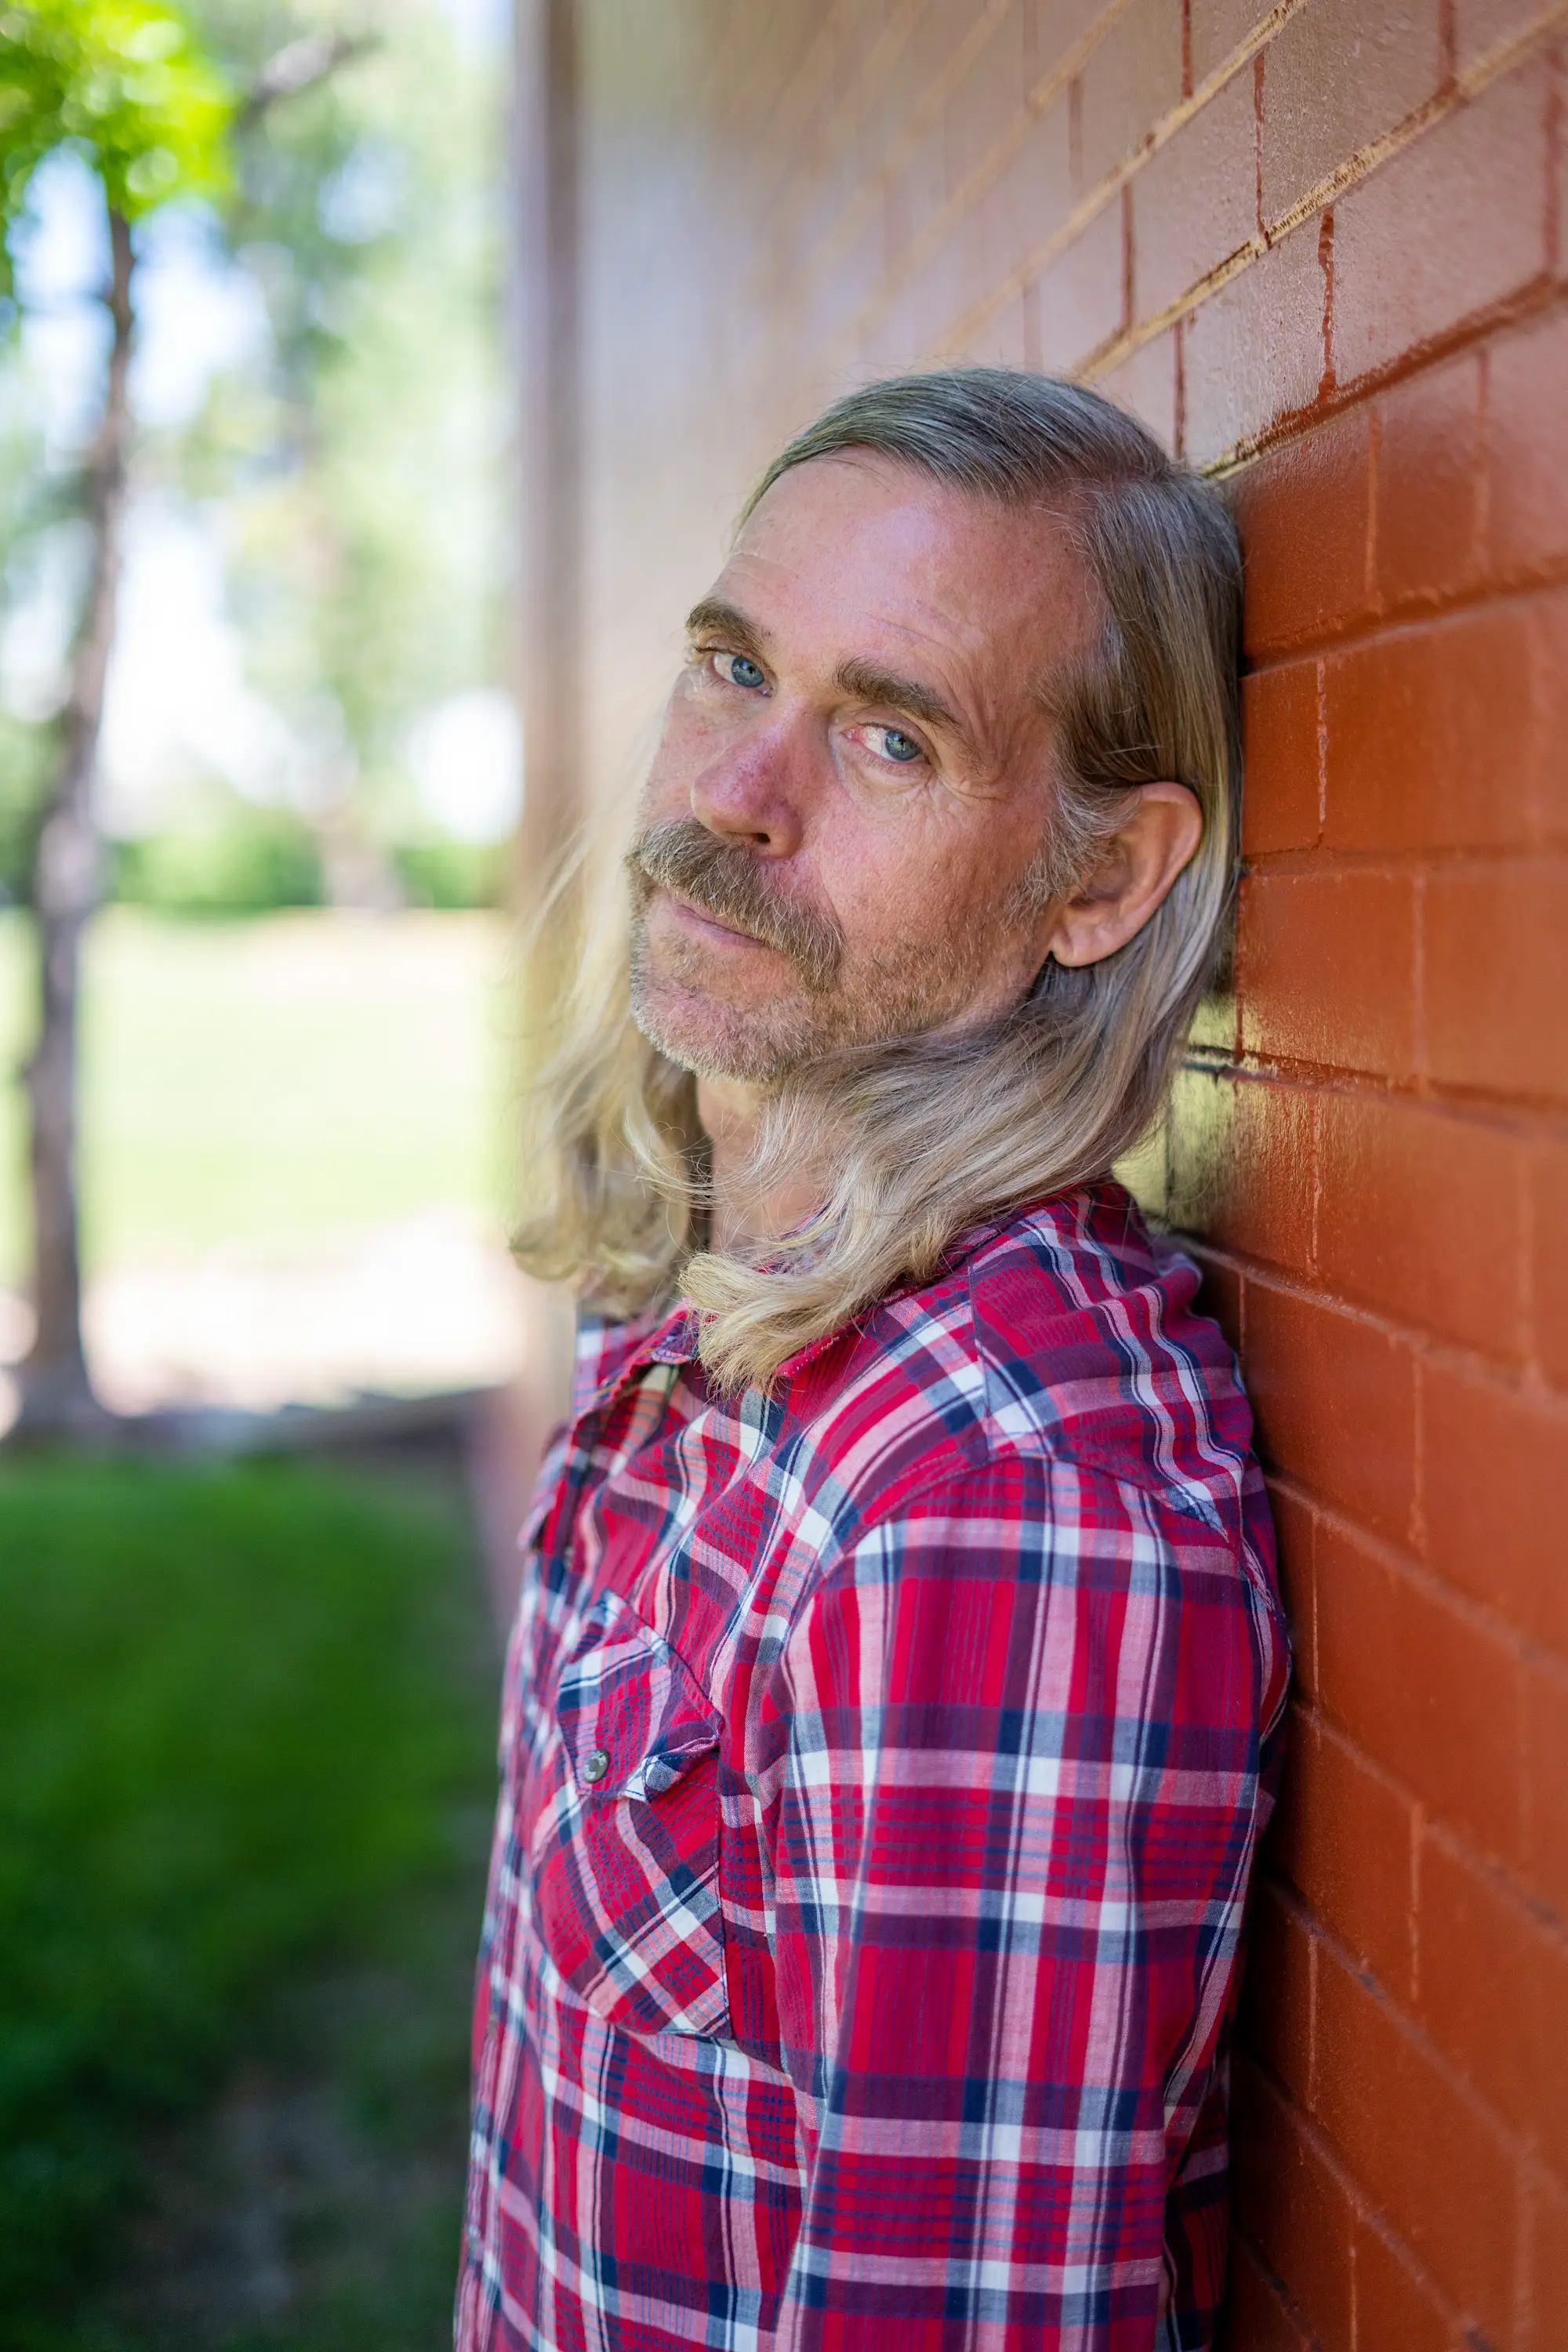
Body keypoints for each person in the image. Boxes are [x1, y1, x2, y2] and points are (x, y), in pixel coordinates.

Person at [456, 370, 1289, 2352]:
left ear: (1100, 881)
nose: (735, 795)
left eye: (891, 737)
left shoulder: (993, 1506)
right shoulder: (711, 1291)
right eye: (735, 667)